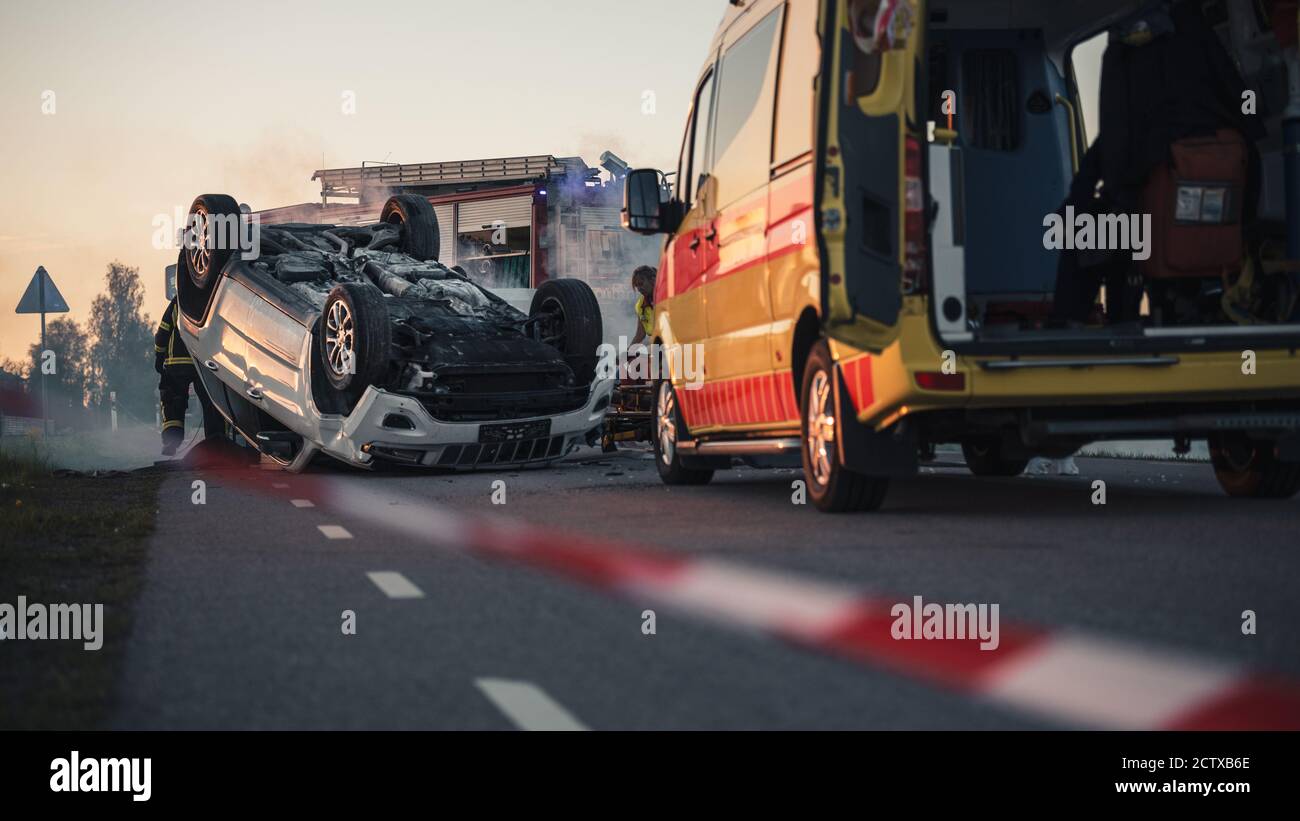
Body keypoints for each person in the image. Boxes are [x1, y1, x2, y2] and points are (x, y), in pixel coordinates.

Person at [154, 298, 225, 456]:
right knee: (212, 402)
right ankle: (217, 442)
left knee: (173, 401)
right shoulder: (213, 299)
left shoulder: (178, 302)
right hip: (204, 362)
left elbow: (163, 330)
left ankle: (172, 440)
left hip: (176, 363)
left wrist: (159, 356)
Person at [630, 265, 656, 347]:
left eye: (641, 284)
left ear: (653, 280)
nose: (639, 288)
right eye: (637, 286)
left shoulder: (668, 298)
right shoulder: (640, 305)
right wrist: (627, 354)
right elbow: (640, 335)